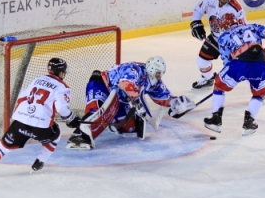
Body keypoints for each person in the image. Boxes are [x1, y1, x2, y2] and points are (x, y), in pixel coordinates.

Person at [0, 58, 81, 176]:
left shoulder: (37, 80)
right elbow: (62, 109)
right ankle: (40, 162)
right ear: (61, 72)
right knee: (56, 134)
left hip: (20, 122)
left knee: (3, 146)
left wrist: (28, 113)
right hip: (41, 128)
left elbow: (21, 97)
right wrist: (71, 118)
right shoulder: (63, 87)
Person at [65, 56, 195, 150]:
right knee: (97, 110)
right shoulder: (134, 69)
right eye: (157, 72)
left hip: (120, 99)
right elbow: (125, 84)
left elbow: (162, 97)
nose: (159, 76)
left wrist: (176, 103)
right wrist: (138, 102)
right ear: (151, 68)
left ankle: (111, 122)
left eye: (161, 73)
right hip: (102, 84)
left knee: (130, 128)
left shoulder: (155, 81)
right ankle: (78, 136)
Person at [203, 17, 265, 136]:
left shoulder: (223, 37)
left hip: (238, 65)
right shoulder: (253, 27)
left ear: (224, 26)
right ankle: (248, 124)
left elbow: (227, 61)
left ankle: (216, 120)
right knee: (259, 94)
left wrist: (224, 76)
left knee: (219, 86)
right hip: (260, 65)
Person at [189, 0, 248, 89]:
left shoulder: (236, 8)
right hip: (215, 38)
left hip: (230, 43)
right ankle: (208, 79)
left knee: (241, 67)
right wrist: (196, 23)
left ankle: (257, 90)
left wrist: (242, 48)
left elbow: (244, 29)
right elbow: (198, 9)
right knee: (201, 62)